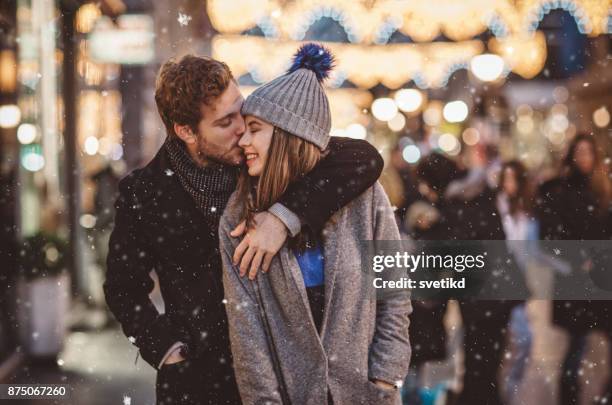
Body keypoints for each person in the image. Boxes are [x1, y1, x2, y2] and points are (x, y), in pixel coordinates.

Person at [103, 53, 385, 405]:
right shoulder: (146, 192)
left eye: (241, 109)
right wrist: (168, 352)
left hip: (278, 371)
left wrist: (284, 217)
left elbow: (364, 158)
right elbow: (122, 287)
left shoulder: (259, 159)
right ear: (186, 131)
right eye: (224, 123)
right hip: (201, 381)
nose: (241, 129)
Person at [219, 44, 411, 405]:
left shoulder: (364, 199)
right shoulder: (238, 215)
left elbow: (394, 293)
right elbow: (248, 335)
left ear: (290, 135)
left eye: (255, 129)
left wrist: (385, 381)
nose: (242, 140)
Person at [415, 152, 525, 405]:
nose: (425, 190)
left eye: (425, 183)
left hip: (483, 297)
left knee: (480, 362)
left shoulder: (455, 205)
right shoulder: (480, 193)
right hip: (498, 291)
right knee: (486, 360)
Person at [536, 134, 611, 405]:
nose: (584, 158)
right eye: (579, 152)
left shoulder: (603, 191)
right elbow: (550, 237)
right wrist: (579, 260)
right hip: (575, 281)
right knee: (576, 346)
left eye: (589, 152)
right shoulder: (561, 192)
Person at [495, 160, 537, 402]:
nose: (509, 184)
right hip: (500, 284)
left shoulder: (526, 211)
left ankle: (506, 391)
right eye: (506, 178)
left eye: (514, 178)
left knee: (522, 342)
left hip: (518, 285)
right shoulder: (495, 207)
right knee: (511, 341)